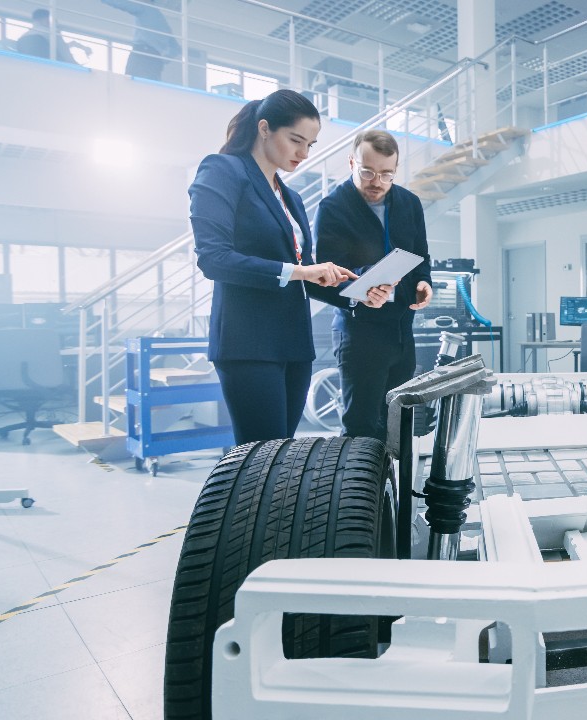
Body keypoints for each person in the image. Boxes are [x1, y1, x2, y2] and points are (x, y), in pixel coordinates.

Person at [189, 89, 387, 446]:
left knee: (280, 459)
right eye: (296, 140)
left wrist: (358, 295)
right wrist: (300, 271)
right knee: (258, 459)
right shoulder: (223, 171)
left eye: (310, 144)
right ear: (264, 129)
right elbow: (214, 259)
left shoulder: (291, 197)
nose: (303, 153)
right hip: (248, 342)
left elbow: (307, 277)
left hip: (293, 344)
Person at [314, 130, 433, 445]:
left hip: (402, 332)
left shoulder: (409, 203)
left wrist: (424, 283)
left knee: (399, 424)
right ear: (352, 162)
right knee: (362, 429)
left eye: (386, 174)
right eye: (367, 172)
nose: (376, 182)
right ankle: (359, 493)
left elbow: (421, 256)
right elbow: (323, 277)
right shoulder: (332, 208)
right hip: (360, 335)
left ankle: (393, 493)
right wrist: (364, 285)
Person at [100, 0, 181, 82]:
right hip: (156, 59)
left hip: (142, 54)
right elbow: (176, 47)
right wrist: (166, 58)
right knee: (150, 87)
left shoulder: (144, 7)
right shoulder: (163, 21)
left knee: (130, 84)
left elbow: (122, 3)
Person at [17, 9, 91, 64]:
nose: (55, 25)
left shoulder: (24, 36)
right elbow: (63, 51)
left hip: (28, 64)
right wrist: (76, 66)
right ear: (48, 20)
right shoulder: (51, 32)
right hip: (49, 64)